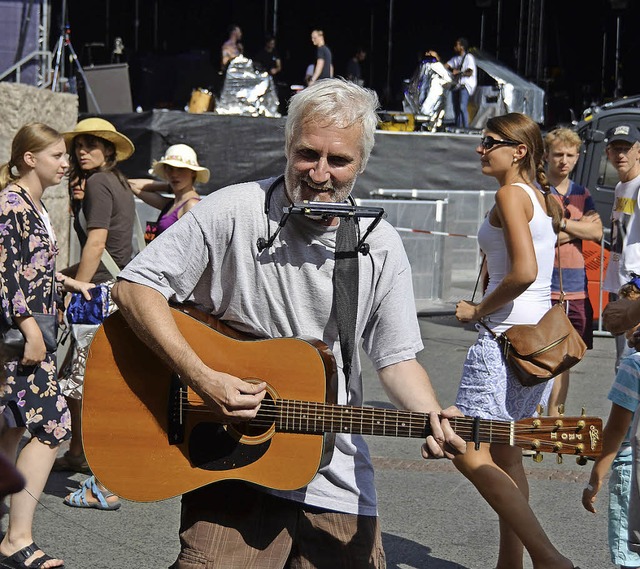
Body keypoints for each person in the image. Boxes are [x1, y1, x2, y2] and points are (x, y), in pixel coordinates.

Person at [111, 78, 466, 568]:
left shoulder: (379, 245)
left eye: (338, 160)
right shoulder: (234, 210)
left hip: (334, 469)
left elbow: (397, 356)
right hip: (228, 459)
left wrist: (430, 415)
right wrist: (203, 378)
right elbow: (133, 287)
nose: (320, 173)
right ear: (287, 147)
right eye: (307, 154)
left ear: (360, 163)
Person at [453, 113, 578, 569]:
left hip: (503, 339)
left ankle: (548, 558)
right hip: (537, 344)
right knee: (509, 458)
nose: (480, 149)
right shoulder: (542, 198)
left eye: (489, 142)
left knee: (462, 446)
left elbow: (523, 271)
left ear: (519, 150)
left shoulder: (510, 194)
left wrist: (477, 309)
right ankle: (512, 564)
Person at [0, 123, 94, 569]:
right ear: (29, 159)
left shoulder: (33, 204)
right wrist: (30, 327)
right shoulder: (10, 204)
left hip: (31, 332)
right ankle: (16, 540)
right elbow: (3, 274)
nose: (66, 163)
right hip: (21, 336)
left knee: (11, 427)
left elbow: (29, 267)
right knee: (53, 425)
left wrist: (66, 281)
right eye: (57, 155)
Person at [54, 117, 136, 510]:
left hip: (98, 292)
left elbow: (98, 241)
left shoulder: (101, 183)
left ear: (108, 151)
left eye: (92, 144)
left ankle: (104, 478)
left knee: (90, 384)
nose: (83, 150)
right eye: (79, 145)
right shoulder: (115, 182)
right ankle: (77, 451)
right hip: (114, 288)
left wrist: (77, 287)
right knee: (81, 377)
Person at [544, 127, 603, 415]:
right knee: (543, 356)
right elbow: (541, 236)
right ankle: (537, 420)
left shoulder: (582, 193)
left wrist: (564, 225)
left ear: (578, 157)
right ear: (546, 155)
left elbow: (597, 231)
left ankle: (555, 419)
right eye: (558, 154)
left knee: (567, 359)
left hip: (576, 288)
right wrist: (580, 230)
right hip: (546, 285)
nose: (563, 161)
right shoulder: (539, 192)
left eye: (569, 155)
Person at [582, 289, 640, 569]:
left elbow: (616, 431)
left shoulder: (633, 367)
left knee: (632, 553)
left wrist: (596, 478)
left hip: (633, 472)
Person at [603, 124, 640, 370]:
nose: (621, 155)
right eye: (616, 148)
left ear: (639, 151)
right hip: (619, 283)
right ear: (607, 152)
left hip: (635, 286)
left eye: (627, 148)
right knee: (622, 363)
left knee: (630, 363)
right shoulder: (620, 187)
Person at [129, 144, 207, 243]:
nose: (174, 174)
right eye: (169, 168)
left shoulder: (191, 205)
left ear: (193, 172)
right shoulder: (170, 204)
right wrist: (169, 186)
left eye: (181, 169)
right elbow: (131, 185)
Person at [426, 37, 477, 130]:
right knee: (456, 109)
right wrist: (436, 57)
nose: (454, 47)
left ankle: (466, 128)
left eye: (457, 45)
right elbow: (444, 66)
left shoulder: (468, 57)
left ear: (462, 47)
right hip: (457, 86)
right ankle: (458, 128)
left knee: (462, 107)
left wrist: (459, 72)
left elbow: (470, 72)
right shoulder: (455, 58)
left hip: (465, 86)